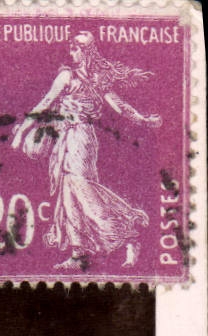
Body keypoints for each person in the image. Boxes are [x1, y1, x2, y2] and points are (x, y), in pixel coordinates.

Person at [9, 32, 162, 270]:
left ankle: (128, 235)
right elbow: (45, 103)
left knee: (82, 189)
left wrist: (142, 120)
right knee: (68, 193)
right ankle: (78, 253)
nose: (72, 52)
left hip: (81, 137)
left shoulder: (94, 78)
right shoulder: (67, 75)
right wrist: (21, 132)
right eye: (71, 48)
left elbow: (119, 106)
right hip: (66, 138)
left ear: (87, 51)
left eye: (76, 48)